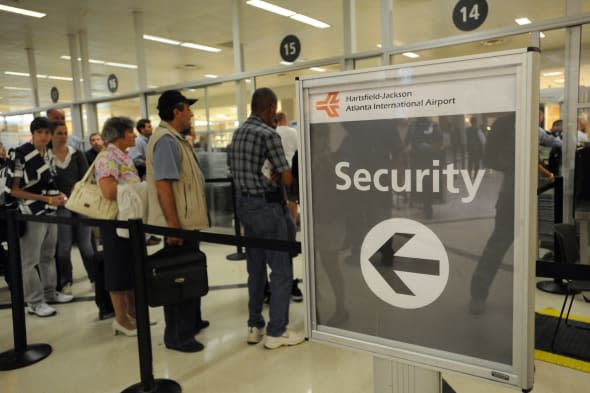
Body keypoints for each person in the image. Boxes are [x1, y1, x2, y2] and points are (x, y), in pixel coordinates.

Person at [228, 87, 304, 349]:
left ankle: (255, 326)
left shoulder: (238, 133)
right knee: (282, 271)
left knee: (255, 270)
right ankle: (276, 331)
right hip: (268, 208)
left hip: (245, 207)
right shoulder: (268, 134)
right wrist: (285, 175)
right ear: (271, 108)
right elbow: (285, 177)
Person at [146, 90, 210, 353]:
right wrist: (173, 226)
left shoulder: (176, 139)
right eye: (188, 109)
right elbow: (164, 186)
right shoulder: (166, 141)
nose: (191, 114)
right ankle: (177, 335)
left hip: (187, 221)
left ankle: (191, 322)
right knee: (178, 278)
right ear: (176, 111)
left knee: (190, 271)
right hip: (179, 224)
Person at [5, 117, 74, 317]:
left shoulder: (49, 155)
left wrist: (56, 197)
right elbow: (14, 190)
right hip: (29, 212)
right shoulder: (20, 154)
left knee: (47, 255)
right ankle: (34, 302)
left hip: (49, 211)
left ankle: (49, 293)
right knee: (30, 260)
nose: (44, 136)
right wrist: (44, 199)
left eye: (47, 133)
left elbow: (49, 183)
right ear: (33, 133)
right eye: (40, 132)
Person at [95, 117, 140, 336]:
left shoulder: (122, 155)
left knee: (129, 266)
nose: (135, 135)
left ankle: (132, 312)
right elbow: (109, 191)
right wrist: (138, 191)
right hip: (115, 220)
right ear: (120, 135)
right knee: (117, 269)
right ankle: (120, 319)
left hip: (128, 219)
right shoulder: (107, 157)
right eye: (131, 132)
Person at [50, 122, 95, 295]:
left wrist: (77, 195)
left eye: (65, 133)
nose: (63, 136)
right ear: (52, 136)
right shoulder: (47, 158)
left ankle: (94, 278)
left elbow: (85, 178)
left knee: (86, 245)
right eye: (59, 133)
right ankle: (66, 281)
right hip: (61, 205)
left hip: (80, 203)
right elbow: (49, 182)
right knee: (63, 246)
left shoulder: (77, 154)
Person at [274, 111, 302, 302]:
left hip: (276, 172)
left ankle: (287, 222)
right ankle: (291, 223)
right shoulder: (292, 132)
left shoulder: (273, 132)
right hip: (291, 171)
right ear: (284, 118)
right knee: (291, 201)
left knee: (283, 200)